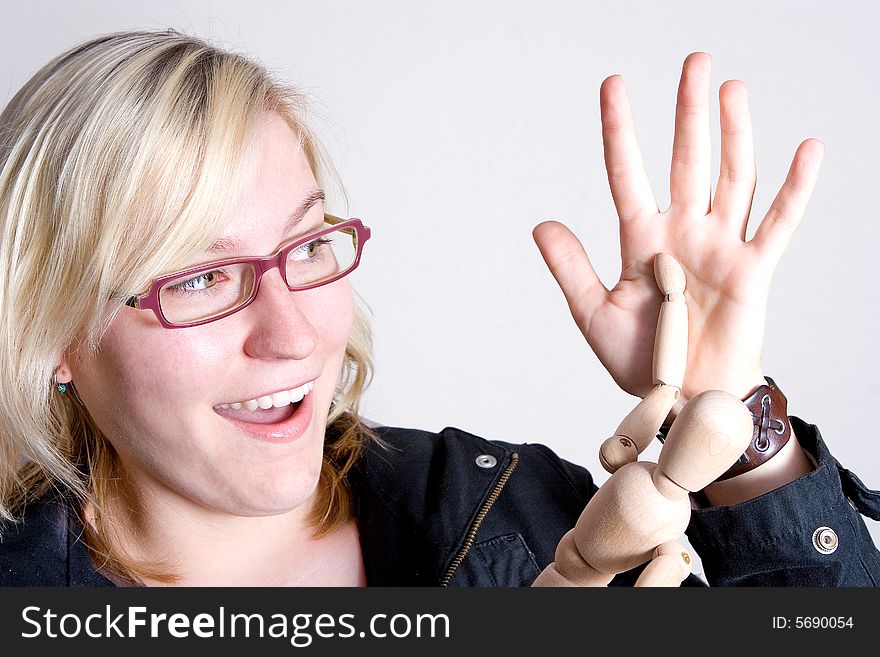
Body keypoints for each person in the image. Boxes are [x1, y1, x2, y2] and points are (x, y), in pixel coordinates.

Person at [0, 29, 877, 587]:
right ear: (54, 333)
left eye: (308, 247)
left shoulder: (517, 514)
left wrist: (725, 408)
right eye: (199, 278)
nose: (297, 333)